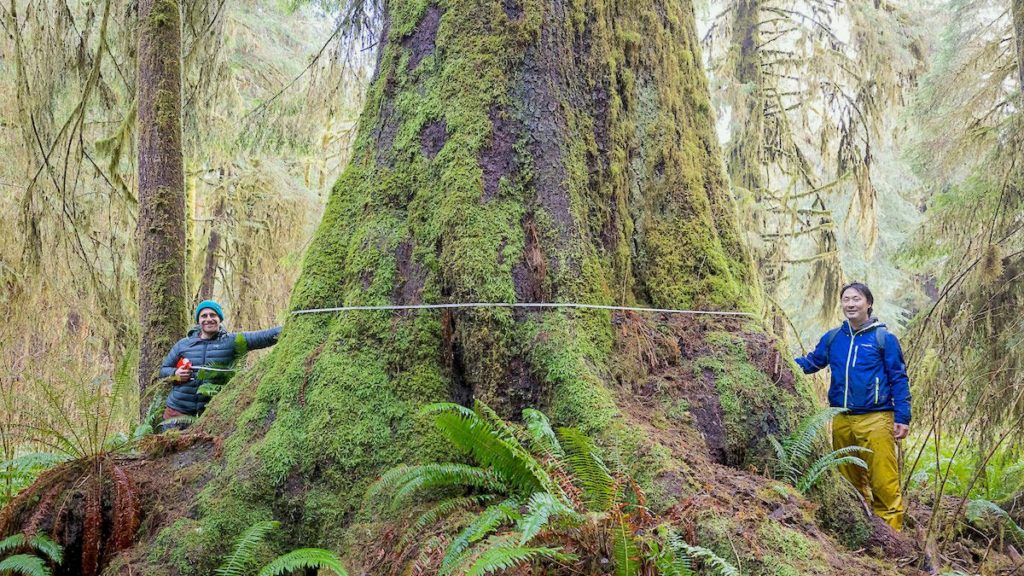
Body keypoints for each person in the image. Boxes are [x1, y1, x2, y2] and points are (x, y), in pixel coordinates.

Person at [794, 282, 911, 531]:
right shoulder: (834, 338)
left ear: (868, 303)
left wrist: (903, 416)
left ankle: (891, 534)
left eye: (856, 299)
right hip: (841, 418)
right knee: (848, 479)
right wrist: (784, 359)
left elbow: (899, 378)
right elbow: (812, 362)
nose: (850, 304)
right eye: (846, 299)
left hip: (876, 418)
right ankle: (862, 529)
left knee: (883, 480)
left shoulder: (884, 338)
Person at [159, 300, 281, 429]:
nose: (209, 319)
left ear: (219, 318)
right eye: (204, 316)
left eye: (213, 315)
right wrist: (175, 374)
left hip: (212, 417)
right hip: (177, 414)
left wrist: (290, 325)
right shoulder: (183, 344)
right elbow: (163, 371)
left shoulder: (231, 341)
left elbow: (264, 337)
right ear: (198, 320)